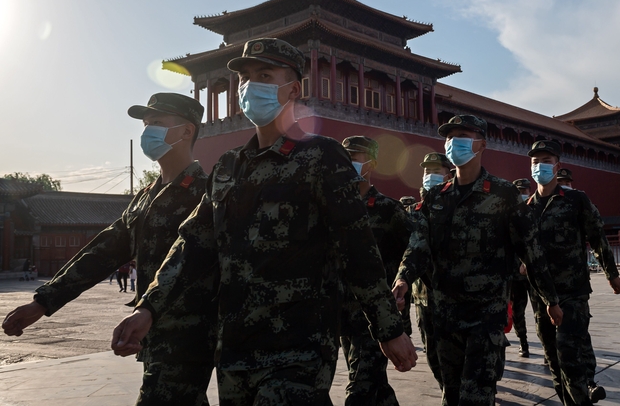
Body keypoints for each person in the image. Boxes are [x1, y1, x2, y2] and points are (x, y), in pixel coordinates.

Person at [110, 38, 417, 405]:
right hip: (236, 348)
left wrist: (387, 328)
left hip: (298, 347)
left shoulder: (322, 157)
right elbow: (191, 244)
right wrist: (149, 307)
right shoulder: (228, 166)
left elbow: (358, 247)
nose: (250, 86)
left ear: (293, 89)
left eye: (265, 75)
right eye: (245, 77)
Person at [2, 93, 217, 406]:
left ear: (187, 131)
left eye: (157, 123)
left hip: (189, 334)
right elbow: (102, 253)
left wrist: (149, 312)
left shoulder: (205, 193)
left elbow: (198, 260)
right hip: (152, 333)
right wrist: (42, 302)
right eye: (146, 124)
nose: (148, 132)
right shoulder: (145, 198)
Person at [392, 115, 562, 405]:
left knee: (477, 396)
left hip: (486, 314)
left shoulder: (503, 194)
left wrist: (550, 299)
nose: (453, 142)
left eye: (462, 135)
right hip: (446, 314)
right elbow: (419, 245)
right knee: (453, 393)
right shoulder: (435, 198)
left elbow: (530, 249)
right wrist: (403, 278)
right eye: (449, 137)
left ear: (481, 144)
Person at [527, 140, 620, 405]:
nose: (540, 166)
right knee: (554, 361)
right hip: (541, 298)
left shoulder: (575, 200)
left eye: (546, 161)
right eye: (535, 162)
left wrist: (611, 273)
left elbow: (596, 235)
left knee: (570, 357)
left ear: (557, 166)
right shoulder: (525, 209)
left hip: (572, 292)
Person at [339, 135, 411, 406]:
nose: (349, 164)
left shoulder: (388, 210)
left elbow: (413, 252)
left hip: (375, 318)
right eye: (346, 158)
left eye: (355, 158)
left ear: (372, 164)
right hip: (344, 315)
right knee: (375, 386)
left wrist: (404, 288)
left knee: (360, 389)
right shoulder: (337, 210)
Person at [410, 152, 454, 389]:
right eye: (427, 171)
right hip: (423, 297)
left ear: (448, 175)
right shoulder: (415, 210)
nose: (430, 176)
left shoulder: (457, 207)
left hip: (453, 296)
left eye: (435, 171)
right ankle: (446, 389)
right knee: (432, 351)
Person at [510, 178, 533, 357]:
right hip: (515, 275)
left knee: (542, 311)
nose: (522, 194)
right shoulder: (509, 214)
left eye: (524, 190)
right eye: (519, 191)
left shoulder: (536, 210)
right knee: (518, 312)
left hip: (535, 272)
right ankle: (523, 343)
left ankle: (549, 350)